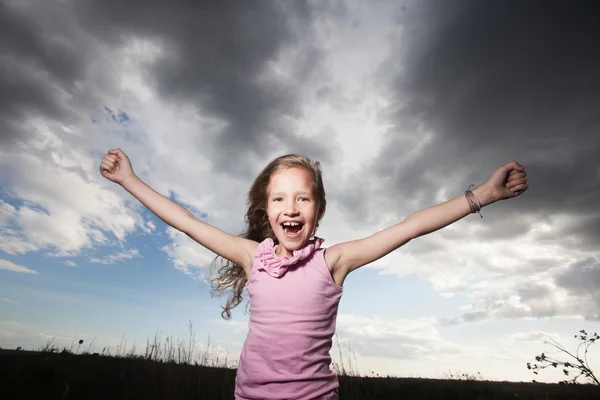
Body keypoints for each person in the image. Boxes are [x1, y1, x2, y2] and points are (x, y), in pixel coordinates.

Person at [100, 149, 528, 400]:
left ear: (318, 211)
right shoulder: (253, 258)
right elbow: (187, 222)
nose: (291, 208)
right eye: (280, 199)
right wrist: (129, 180)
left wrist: (485, 194)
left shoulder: (334, 261)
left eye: (303, 198)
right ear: (267, 210)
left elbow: (410, 227)